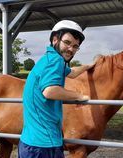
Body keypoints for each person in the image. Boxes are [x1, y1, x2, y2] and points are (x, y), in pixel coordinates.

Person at [18, 20, 94, 158]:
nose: (71, 49)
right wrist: (79, 96)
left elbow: (72, 72)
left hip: (30, 142)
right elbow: (50, 91)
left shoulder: (48, 59)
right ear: (55, 40)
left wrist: (89, 66)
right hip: (43, 145)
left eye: (75, 46)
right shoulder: (56, 61)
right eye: (67, 43)